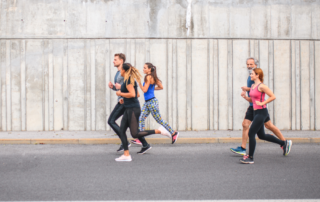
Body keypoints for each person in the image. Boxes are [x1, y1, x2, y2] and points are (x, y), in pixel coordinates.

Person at [115, 63, 177, 162]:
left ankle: (162, 131)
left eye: (145, 68)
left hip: (146, 103)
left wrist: (120, 93)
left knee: (156, 121)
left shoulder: (145, 77)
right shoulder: (133, 79)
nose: (119, 72)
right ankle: (127, 153)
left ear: (124, 71)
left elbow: (137, 93)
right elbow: (138, 93)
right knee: (133, 124)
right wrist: (124, 99)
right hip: (136, 105)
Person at [230, 57, 288, 156]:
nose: (249, 66)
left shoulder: (258, 82)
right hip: (253, 106)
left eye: (251, 64)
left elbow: (269, 94)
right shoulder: (251, 77)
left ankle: (283, 142)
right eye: (247, 64)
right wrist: (245, 96)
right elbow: (253, 93)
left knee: (262, 128)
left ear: (256, 66)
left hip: (259, 109)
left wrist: (261, 101)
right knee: (252, 129)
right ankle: (244, 148)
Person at [239, 68, 292, 164]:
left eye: (252, 74)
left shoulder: (262, 86)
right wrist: (245, 97)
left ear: (257, 75)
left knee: (251, 133)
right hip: (256, 112)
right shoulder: (253, 86)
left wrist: (263, 102)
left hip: (261, 112)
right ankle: (283, 143)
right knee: (262, 135)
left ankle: (250, 157)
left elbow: (273, 96)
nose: (250, 75)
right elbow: (252, 100)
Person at [107, 53, 149, 152]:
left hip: (124, 102)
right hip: (124, 101)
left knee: (111, 121)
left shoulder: (125, 73)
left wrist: (120, 90)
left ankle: (125, 143)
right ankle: (145, 144)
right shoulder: (118, 73)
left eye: (115, 59)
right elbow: (122, 88)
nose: (113, 61)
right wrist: (113, 87)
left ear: (121, 61)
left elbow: (130, 90)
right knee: (131, 127)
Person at [137, 63, 179, 141]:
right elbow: (161, 87)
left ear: (149, 69)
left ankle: (173, 133)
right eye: (143, 68)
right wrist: (152, 89)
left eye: (145, 68)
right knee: (141, 118)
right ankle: (140, 138)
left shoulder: (148, 77)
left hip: (151, 103)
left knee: (159, 120)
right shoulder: (153, 77)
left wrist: (139, 82)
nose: (143, 69)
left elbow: (144, 90)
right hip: (148, 102)